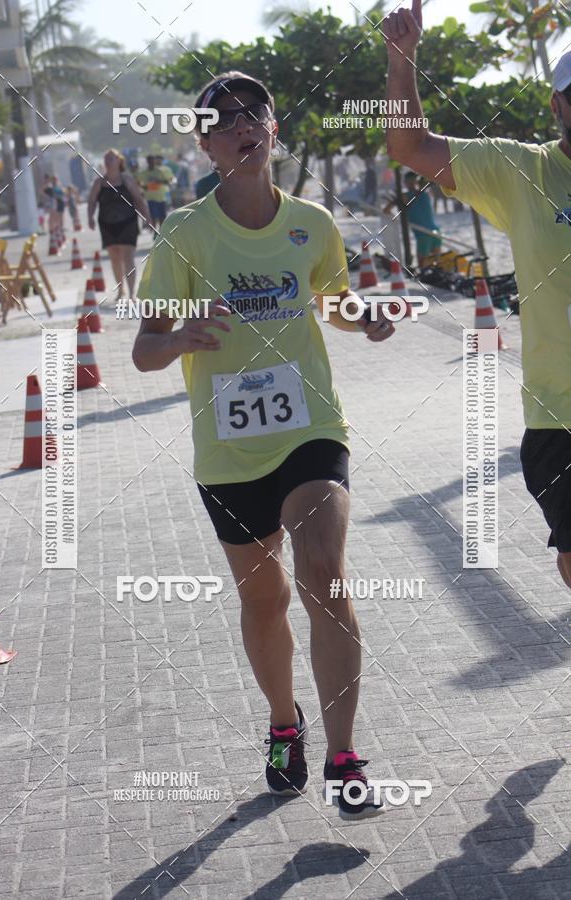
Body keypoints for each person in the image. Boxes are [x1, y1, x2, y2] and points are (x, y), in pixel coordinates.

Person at [132, 71, 395, 820]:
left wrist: (364, 317)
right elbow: (145, 350)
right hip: (227, 450)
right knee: (265, 599)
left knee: (323, 575)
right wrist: (180, 335)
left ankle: (345, 757)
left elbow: (334, 300)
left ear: (274, 128)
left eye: (256, 113)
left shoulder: (312, 222)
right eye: (226, 120)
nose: (244, 125)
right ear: (207, 144)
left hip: (310, 429)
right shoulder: (184, 234)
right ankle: (285, 722)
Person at [384, 1, 571, 589]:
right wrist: (401, 60)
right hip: (559, 416)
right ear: (557, 105)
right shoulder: (523, 171)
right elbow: (410, 147)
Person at [87, 149, 151, 301]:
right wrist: (90, 217)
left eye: (112, 158)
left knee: (128, 257)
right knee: (115, 258)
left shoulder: (126, 179)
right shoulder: (99, 182)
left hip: (128, 222)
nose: (109, 161)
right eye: (106, 158)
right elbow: (91, 201)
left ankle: (131, 293)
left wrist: (146, 217)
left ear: (119, 161)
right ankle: (120, 290)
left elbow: (138, 199)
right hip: (107, 223)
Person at [384, 171, 442, 267]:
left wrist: (395, 217)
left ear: (405, 183)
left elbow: (386, 210)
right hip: (435, 231)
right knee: (436, 264)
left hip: (423, 235)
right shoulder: (425, 194)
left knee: (423, 266)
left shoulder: (405, 196)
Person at [138, 155, 175, 235]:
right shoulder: (144, 173)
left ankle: (161, 231)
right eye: (149, 161)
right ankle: (155, 232)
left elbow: (168, 181)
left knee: (162, 216)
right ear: (147, 162)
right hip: (150, 198)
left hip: (161, 197)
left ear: (154, 162)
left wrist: (159, 181)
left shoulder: (160, 172)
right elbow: (138, 182)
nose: (151, 163)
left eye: (152, 161)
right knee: (153, 216)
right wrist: (143, 187)